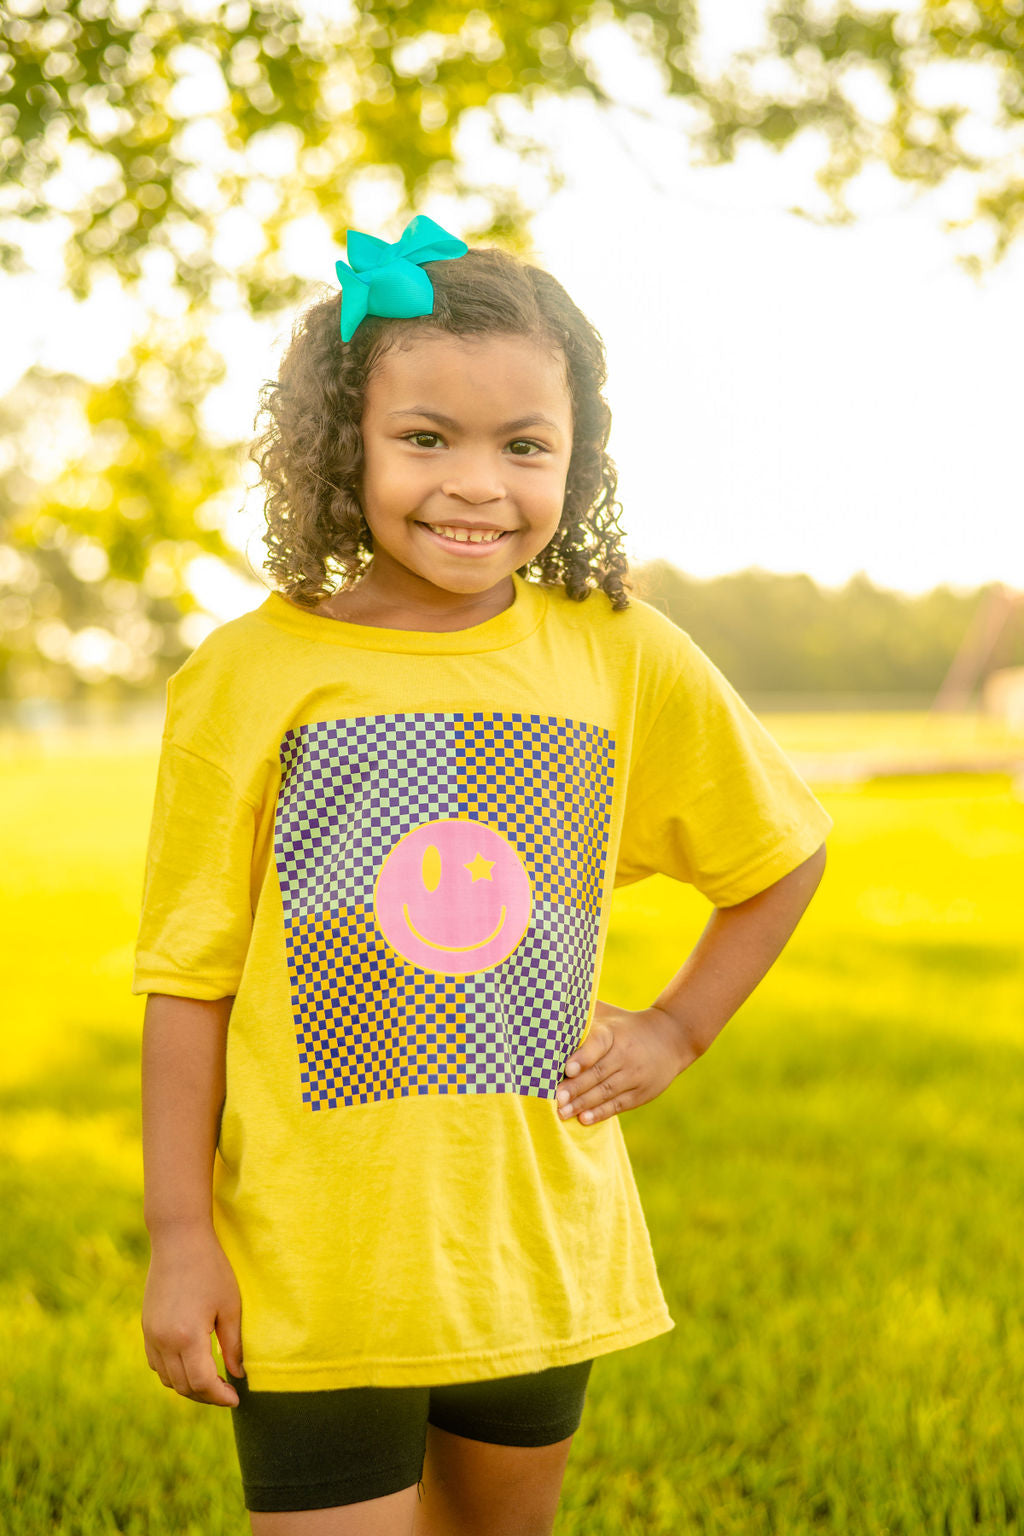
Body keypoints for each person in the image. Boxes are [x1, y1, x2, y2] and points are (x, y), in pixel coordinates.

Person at [136, 213, 833, 1536]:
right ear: (342, 444)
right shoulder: (244, 678)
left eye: (525, 447)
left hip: (534, 1248)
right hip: (316, 1259)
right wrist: (181, 1237)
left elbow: (778, 850)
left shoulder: (616, 650)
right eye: (425, 438)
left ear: (579, 460)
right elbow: (187, 979)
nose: (476, 484)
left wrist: (679, 1025)